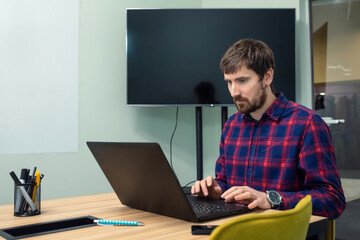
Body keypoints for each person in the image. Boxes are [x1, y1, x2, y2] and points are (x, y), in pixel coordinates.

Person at [191, 38, 346, 219]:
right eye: (229, 82)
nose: (233, 92)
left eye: (242, 80)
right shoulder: (231, 125)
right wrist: (217, 191)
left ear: (267, 76)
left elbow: (332, 199)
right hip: (237, 229)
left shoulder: (307, 124)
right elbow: (225, 181)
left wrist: (271, 199)